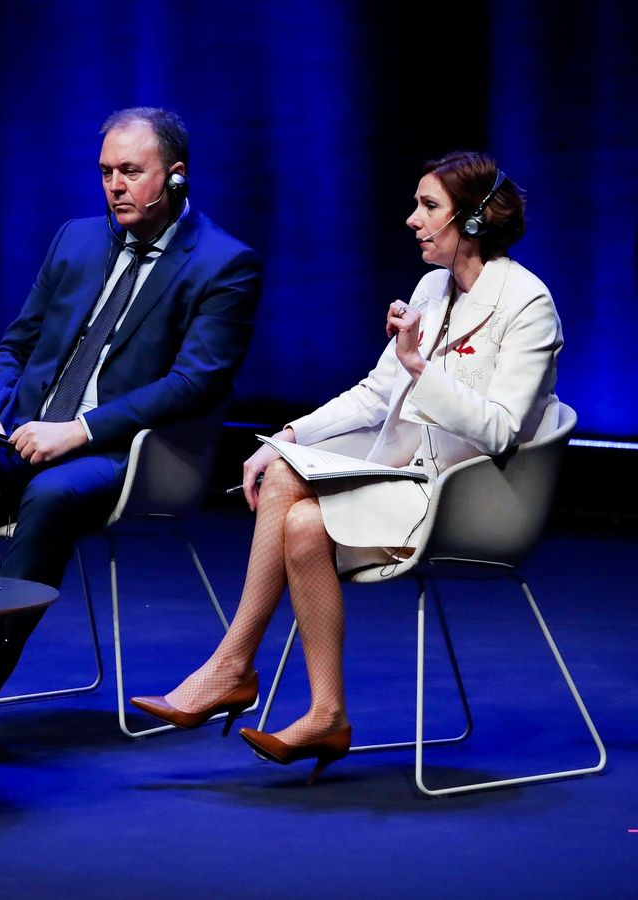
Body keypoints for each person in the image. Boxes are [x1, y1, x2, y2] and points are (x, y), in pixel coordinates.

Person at [130, 151, 560, 784]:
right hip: (409, 477)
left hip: (475, 500)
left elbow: (499, 431)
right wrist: (285, 435)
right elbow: (374, 393)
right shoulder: (433, 287)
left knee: (296, 503)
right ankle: (324, 712)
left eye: (428, 206)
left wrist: (420, 367)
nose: (412, 219)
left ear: (470, 221)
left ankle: (230, 668)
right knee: (298, 514)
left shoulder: (528, 301)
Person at [0, 107, 262, 748]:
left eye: (131, 171)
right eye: (105, 173)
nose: (115, 186)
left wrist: (82, 431)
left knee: (51, 495)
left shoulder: (222, 263)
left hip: (125, 454)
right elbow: (16, 345)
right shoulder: (76, 238)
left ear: (176, 178)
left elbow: (195, 383)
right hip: (24, 435)